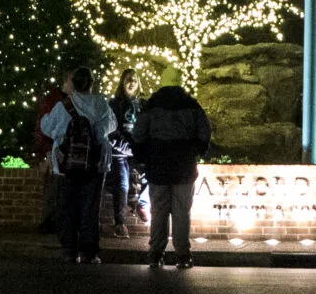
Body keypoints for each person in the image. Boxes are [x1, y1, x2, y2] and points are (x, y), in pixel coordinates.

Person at [132, 67, 211, 268]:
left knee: (158, 211)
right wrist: (198, 150)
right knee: (182, 212)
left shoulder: (152, 105)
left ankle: (156, 253)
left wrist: (142, 155)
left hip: (157, 165)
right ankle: (183, 254)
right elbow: (204, 132)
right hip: (184, 166)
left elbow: (139, 133)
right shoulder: (192, 105)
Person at [40, 68, 120, 263]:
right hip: (95, 165)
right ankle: (89, 252)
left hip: (66, 165)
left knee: (68, 207)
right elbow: (113, 126)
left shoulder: (64, 106)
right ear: (91, 84)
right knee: (90, 208)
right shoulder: (102, 105)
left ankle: (69, 249)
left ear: (73, 83)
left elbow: (48, 128)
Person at [106, 68, 144, 237]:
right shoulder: (114, 104)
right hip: (120, 153)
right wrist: (125, 146)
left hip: (138, 151)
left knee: (149, 176)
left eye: (135, 79)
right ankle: (120, 223)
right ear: (122, 81)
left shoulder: (143, 104)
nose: (132, 82)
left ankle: (141, 205)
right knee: (122, 186)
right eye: (129, 79)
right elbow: (111, 130)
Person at [31, 70, 70, 235]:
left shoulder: (59, 100)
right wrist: (46, 152)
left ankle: (54, 221)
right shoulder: (56, 101)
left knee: (57, 189)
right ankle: (50, 222)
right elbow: (44, 128)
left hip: (61, 152)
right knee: (54, 189)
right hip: (56, 153)